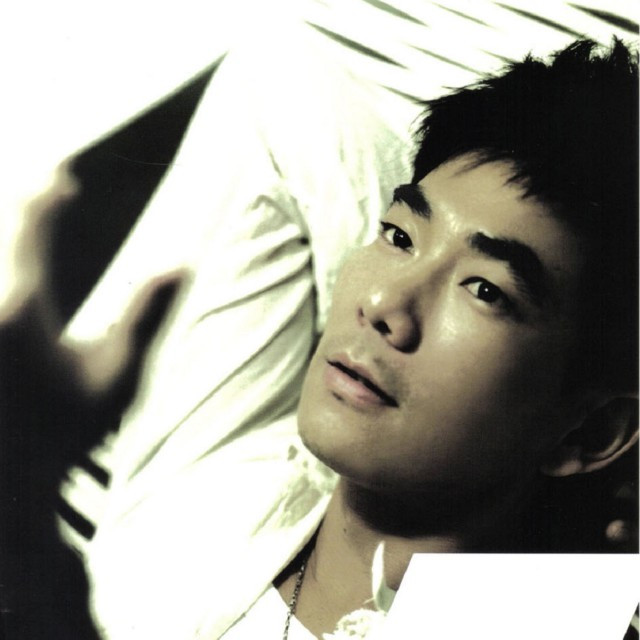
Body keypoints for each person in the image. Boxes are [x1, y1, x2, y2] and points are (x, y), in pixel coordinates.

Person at [1, 36, 637, 639]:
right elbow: (284, 89)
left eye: (485, 290)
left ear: (591, 432)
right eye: (398, 236)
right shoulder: (221, 478)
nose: (383, 304)